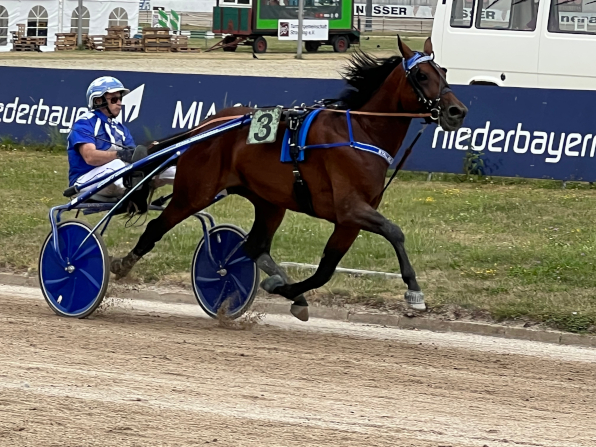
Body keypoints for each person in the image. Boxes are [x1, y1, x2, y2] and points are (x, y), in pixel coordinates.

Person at [67, 76, 175, 198]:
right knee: (117, 164)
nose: (119, 103)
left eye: (120, 99)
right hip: (85, 182)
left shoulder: (121, 129)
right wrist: (119, 154)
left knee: (168, 168)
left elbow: (134, 159)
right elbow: (89, 157)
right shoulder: (85, 123)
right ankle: (136, 192)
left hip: (115, 180)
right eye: (114, 99)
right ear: (98, 101)